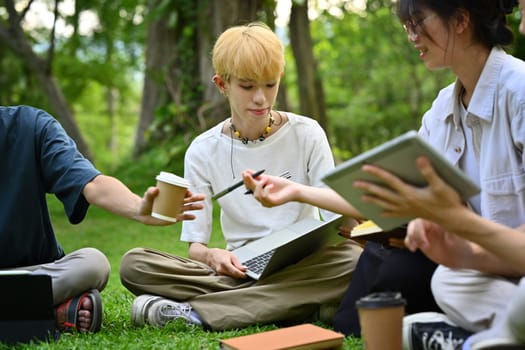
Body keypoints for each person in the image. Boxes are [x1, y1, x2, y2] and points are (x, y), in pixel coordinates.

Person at [244, 0, 525, 344]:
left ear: (461, 20)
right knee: (444, 279)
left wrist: (452, 224)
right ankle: (484, 333)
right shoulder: (441, 112)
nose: (411, 36)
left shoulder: (518, 92)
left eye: (418, 22)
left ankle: (469, 336)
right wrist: (296, 191)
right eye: (407, 25)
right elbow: (388, 196)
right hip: (483, 269)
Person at [119, 22, 363, 331]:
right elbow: (196, 246)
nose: (261, 98)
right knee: (135, 264)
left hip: (304, 263)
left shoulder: (307, 133)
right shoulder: (202, 150)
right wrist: (213, 256)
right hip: (237, 269)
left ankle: (194, 314)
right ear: (222, 84)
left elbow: (341, 220)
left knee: (352, 261)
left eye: (270, 85)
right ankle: (298, 303)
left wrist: (346, 220)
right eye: (247, 87)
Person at [0, 105, 205, 334]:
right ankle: (51, 313)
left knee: (93, 263)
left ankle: (21, 308)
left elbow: (92, 183)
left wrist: (139, 208)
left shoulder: (31, 124)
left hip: (38, 274)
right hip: (41, 289)